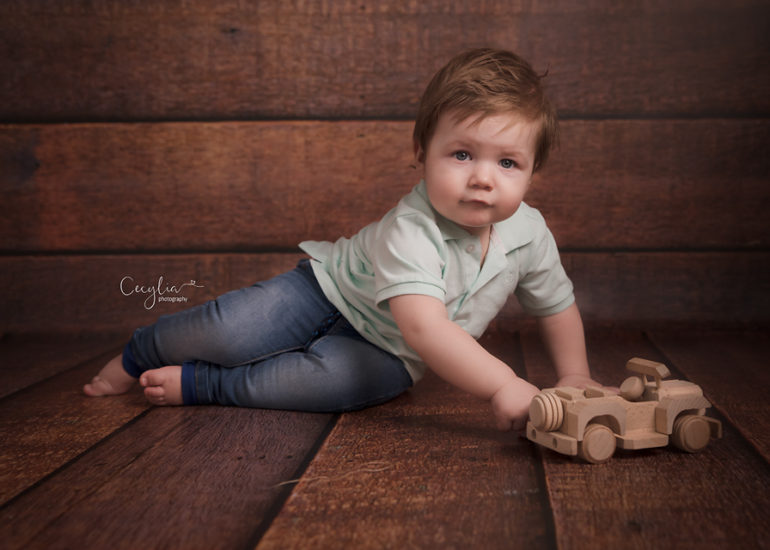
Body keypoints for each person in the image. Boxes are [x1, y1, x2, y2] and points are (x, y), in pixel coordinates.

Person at [84, 48, 607, 431]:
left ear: (534, 173)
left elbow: (555, 306)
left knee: (337, 387)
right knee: (230, 330)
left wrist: (575, 373)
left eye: (508, 162)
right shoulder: (414, 227)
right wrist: (501, 383)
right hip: (324, 293)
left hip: (387, 350)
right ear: (422, 151)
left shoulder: (528, 234)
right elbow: (426, 328)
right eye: (462, 154)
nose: (483, 178)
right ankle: (140, 352)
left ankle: (204, 385)